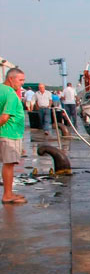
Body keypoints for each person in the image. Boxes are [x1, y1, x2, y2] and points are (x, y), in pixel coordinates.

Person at [1, 68, 27, 204]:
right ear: (11, 78)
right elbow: (4, 117)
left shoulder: (1, 89)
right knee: (9, 164)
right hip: (10, 134)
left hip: (5, 133)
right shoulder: (11, 94)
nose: (22, 83)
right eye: (20, 80)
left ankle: (9, 192)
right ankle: (7, 195)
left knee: (8, 164)